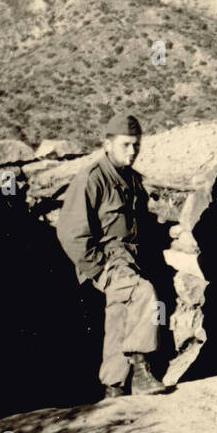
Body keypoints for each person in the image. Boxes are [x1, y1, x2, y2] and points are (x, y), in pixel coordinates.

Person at [56, 112, 169, 397]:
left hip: (130, 259)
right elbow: (70, 231)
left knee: (119, 313)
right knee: (144, 293)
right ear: (107, 144)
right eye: (125, 145)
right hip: (109, 259)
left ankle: (114, 385)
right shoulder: (91, 179)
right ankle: (142, 371)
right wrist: (99, 268)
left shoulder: (129, 178)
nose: (132, 152)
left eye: (136, 145)